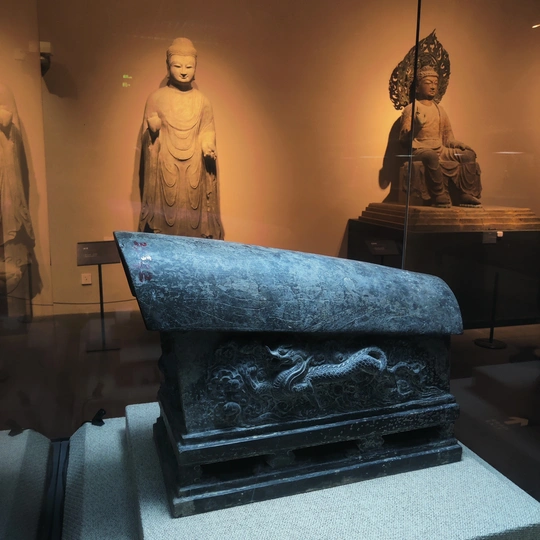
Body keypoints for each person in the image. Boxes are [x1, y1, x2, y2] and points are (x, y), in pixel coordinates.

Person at [139, 37, 223, 239]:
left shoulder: (202, 101)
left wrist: (207, 144)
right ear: (168, 66)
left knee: (194, 211)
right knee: (166, 210)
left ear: (196, 67)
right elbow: (147, 136)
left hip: (195, 165)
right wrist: (152, 131)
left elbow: (207, 130)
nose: (183, 71)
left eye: (189, 66)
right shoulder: (156, 98)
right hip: (165, 163)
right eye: (177, 66)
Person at [399, 65, 482, 207]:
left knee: (468, 155)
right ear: (417, 87)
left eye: (435, 83)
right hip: (419, 149)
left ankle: (465, 193)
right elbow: (403, 141)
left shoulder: (440, 110)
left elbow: (448, 138)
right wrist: (416, 127)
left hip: (441, 149)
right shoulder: (411, 109)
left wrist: (460, 145)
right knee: (431, 156)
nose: (432, 87)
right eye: (428, 83)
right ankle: (438, 194)